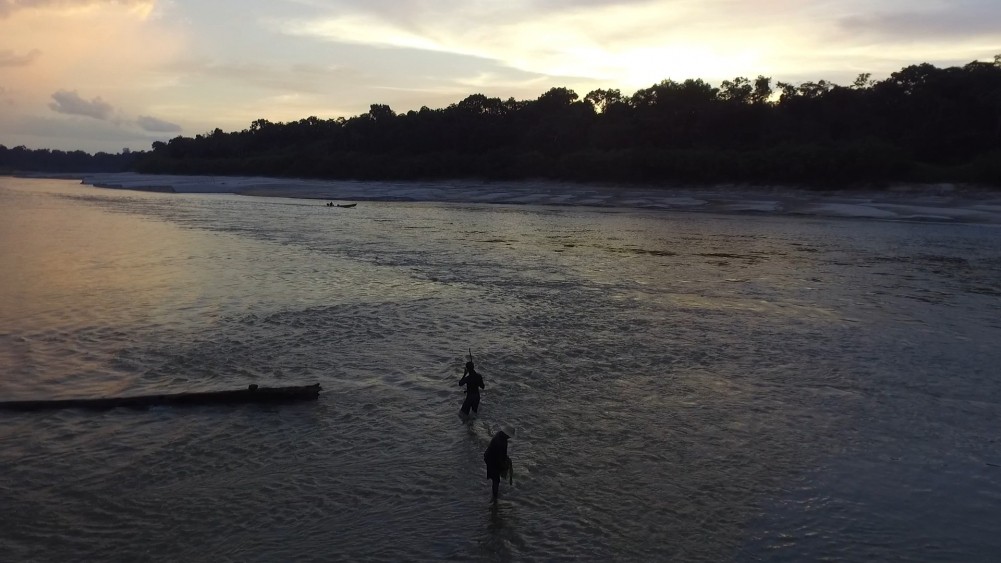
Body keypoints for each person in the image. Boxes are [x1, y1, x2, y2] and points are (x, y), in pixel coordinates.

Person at [483, 430, 512, 502]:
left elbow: (503, 454)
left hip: (490, 456)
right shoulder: (500, 442)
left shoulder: (500, 435)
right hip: (491, 459)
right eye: (509, 436)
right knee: (496, 479)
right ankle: (494, 498)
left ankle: (494, 496)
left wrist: (506, 460)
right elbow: (499, 458)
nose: (509, 437)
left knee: (495, 477)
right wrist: (504, 466)